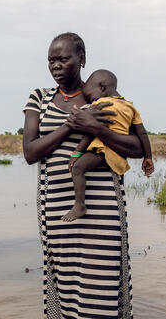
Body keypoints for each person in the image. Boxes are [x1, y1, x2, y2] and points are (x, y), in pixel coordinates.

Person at [22, 32, 143, 319]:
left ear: (82, 60)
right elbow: (31, 152)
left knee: (101, 284)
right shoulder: (40, 97)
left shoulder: (106, 98)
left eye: (64, 58)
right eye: (52, 59)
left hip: (102, 207)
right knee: (68, 288)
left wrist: (97, 127)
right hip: (59, 207)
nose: (57, 65)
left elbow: (138, 147)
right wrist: (71, 125)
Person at [61, 69, 154, 222]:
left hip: (104, 150)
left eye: (89, 95)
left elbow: (91, 132)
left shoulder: (100, 104)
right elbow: (142, 134)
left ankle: (79, 205)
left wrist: (77, 152)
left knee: (77, 168)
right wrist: (148, 157)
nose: (89, 100)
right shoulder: (131, 107)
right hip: (119, 153)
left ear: (102, 87)